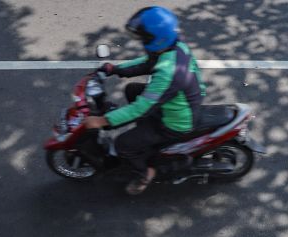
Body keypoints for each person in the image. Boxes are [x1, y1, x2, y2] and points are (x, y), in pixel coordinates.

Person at [84, 6, 206, 195]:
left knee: (123, 145)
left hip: (175, 123)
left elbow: (141, 108)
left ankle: (145, 173)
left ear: (157, 38)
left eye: (144, 37)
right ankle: (146, 138)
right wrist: (116, 69)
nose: (141, 40)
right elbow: (147, 63)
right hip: (180, 102)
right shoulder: (174, 47)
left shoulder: (168, 73)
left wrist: (102, 121)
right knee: (132, 89)